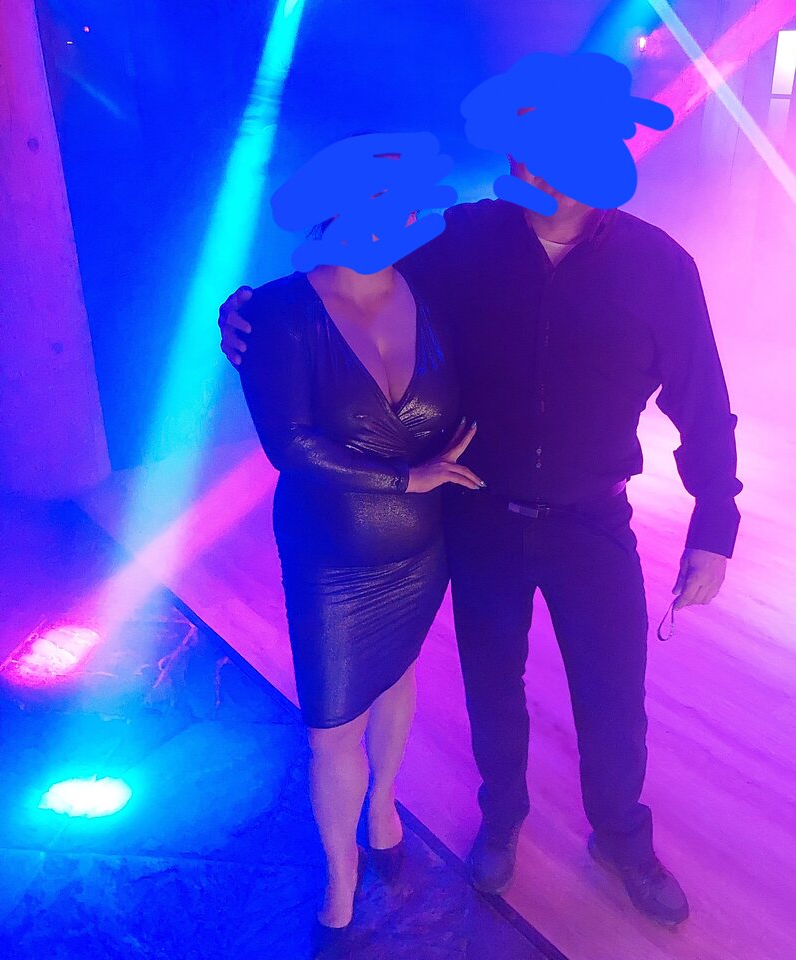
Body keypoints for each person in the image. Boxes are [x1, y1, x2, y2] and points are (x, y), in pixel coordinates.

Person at [221, 158, 742, 928]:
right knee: (492, 686)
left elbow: (704, 400)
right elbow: (348, 273)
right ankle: (501, 819)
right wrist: (252, 312)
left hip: (592, 520)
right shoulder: (457, 237)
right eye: (526, 146)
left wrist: (716, 521)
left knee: (613, 693)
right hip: (479, 513)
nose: (540, 166)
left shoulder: (658, 264)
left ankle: (621, 838)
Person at [234, 243, 483, 953]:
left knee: (397, 673)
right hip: (329, 557)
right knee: (331, 727)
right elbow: (289, 446)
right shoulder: (282, 310)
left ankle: (383, 807)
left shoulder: (430, 286)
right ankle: (339, 879)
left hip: (421, 547)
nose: (398, 215)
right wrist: (407, 478)